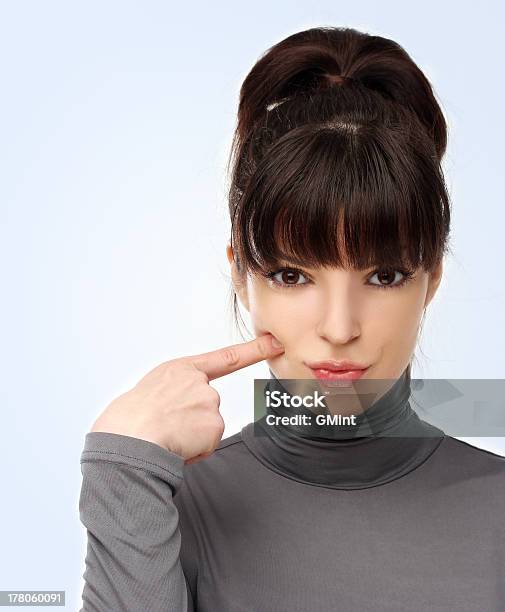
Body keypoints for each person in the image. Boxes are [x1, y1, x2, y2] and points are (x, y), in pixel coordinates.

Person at [78, 26, 505, 611]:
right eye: (292, 275)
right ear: (240, 273)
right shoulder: (168, 510)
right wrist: (120, 464)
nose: (338, 327)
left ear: (431, 277)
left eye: (383, 277)